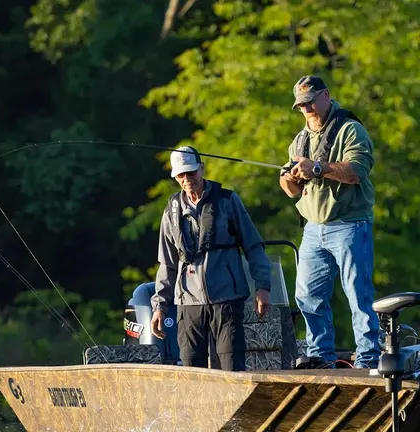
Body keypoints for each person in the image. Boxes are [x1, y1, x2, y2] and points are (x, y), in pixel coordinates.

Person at [279, 75, 381, 369]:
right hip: (313, 229)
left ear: (326, 96)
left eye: (310, 102)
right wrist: (289, 177)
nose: (306, 109)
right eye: (301, 105)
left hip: (350, 225)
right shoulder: (299, 140)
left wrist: (317, 167)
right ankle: (320, 356)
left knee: (358, 295)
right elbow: (290, 191)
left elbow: (357, 171)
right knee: (307, 296)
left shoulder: (350, 129)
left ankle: (368, 358)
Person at [151, 146, 272, 371]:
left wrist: (262, 286)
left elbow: (253, 246)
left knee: (231, 368)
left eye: (191, 172)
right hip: (188, 303)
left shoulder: (228, 200)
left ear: (202, 169)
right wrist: (159, 306)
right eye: (181, 175)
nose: (187, 179)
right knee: (191, 371)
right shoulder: (171, 211)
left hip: (227, 299)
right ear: (176, 177)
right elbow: (167, 264)